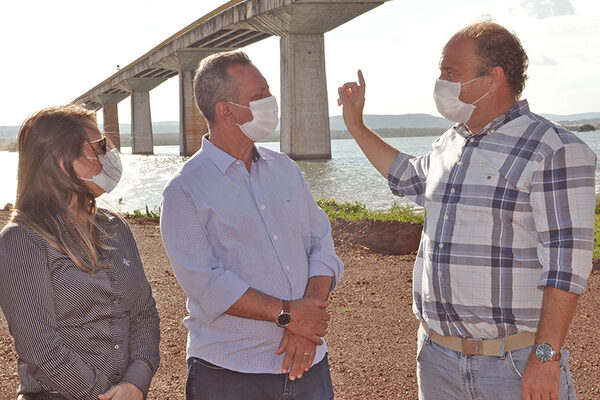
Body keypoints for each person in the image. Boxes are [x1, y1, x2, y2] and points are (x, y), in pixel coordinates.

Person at [337, 20, 595, 400]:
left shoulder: (554, 149)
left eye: (450, 72)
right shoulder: (451, 142)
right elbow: (408, 177)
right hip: (438, 361)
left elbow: (566, 267)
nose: (440, 81)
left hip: (514, 365)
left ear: (492, 78)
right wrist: (355, 124)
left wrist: (546, 358)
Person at [160, 50, 344, 400]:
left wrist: (306, 321)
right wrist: (290, 315)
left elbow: (322, 243)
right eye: (259, 96)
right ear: (226, 110)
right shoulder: (184, 190)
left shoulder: (286, 169)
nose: (270, 102)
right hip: (230, 375)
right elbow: (206, 283)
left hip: (309, 366)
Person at [0, 105, 161, 400]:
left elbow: (144, 311)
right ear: (63, 162)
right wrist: (105, 395)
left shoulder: (116, 227)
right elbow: (40, 347)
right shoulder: (22, 241)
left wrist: (136, 380)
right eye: (99, 147)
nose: (109, 155)